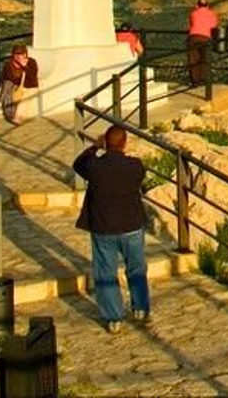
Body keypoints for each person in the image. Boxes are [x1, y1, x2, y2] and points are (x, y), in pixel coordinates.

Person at [73, 124, 150, 333]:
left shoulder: (94, 167)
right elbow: (140, 176)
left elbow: (78, 164)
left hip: (103, 227)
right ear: (124, 143)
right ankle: (140, 307)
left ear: (106, 143)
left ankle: (114, 318)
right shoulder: (135, 166)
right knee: (136, 268)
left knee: (106, 273)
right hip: (131, 226)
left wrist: (94, 147)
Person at [0, 43, 39, 124]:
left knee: (26, 96)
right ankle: (5, 110)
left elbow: (32, 77)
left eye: (21, 54)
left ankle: (17, 117)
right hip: (17, 86)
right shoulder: (9, 65)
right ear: (13, 55)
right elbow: (9, 78)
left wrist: (24, 67)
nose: (19, 56)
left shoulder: (32, 62)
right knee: (9, 89)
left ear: (25, 54)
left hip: (30, 86)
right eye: (16, 54)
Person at [186, 0, 218, 86]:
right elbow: (214, 27)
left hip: (193, 37)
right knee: (205, 59)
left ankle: (195, 81)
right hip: (206, 38)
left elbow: (190, 26)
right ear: (207, 6)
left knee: (193, 59)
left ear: (197, 6)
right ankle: (204, 79)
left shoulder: (193, 13)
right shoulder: (212, 14)